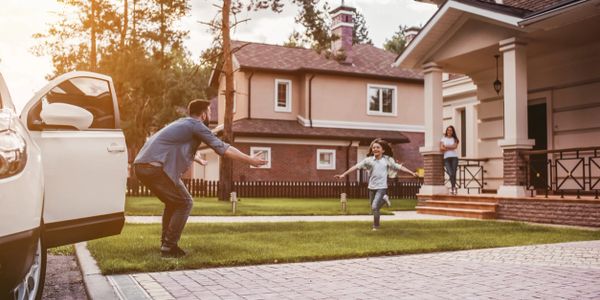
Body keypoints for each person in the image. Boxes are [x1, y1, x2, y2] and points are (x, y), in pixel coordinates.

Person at [133, 99, 267, 258]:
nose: (210, 115)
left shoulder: (183, 124)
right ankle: (169, 247)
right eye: (209, 112)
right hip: (154, 167)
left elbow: (174, 145)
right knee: (185, 202)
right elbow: (222, 148)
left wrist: (197, 159)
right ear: (203, 114)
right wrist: (249, 159)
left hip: (142, 166)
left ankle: (166, 244)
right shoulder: (196, 126)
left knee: (173, 203)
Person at [335, 138, 417, 231]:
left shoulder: (387, 160)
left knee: (374, 207)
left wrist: (412, 173)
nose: (375, 149)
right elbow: (355, 167)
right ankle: (384, 200)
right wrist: (343, 174)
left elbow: (400, 167)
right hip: (371, 187)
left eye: (378, 147)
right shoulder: (369, 160)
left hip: (381, 187)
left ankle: (376, 227)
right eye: (373, 148)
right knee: (374, 208)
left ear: (383, 150)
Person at [440, 125, 460, 195]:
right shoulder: (443, 138)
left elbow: (454, 147)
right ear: (446, 131)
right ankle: (453, 187)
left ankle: (453, 188)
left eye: (451, 130)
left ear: (452, 131)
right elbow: (441, 148)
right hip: (446, 158)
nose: (449, 131)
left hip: (454, 158)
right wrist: (450, 147)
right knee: (451, 173)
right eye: (448, 130)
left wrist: (446, 146)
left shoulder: (455, 139)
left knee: (454, 173)